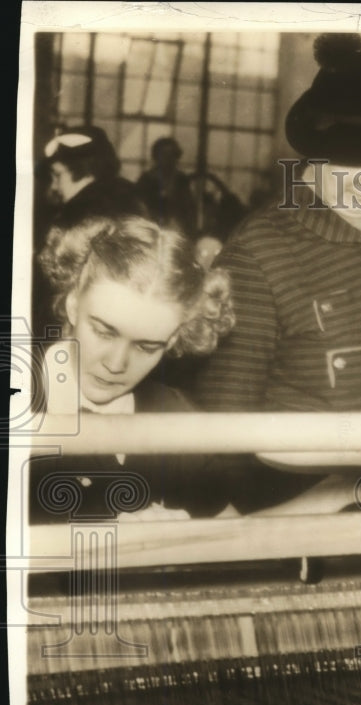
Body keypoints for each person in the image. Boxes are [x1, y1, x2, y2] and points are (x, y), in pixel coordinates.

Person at [194, 33, 361, 508]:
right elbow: (225, 428)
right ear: (319, 148)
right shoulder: (257, 251)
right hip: (307, 506)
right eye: (356, 160)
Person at [30, 216, 236, 524]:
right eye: (103, 331)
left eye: (146, 347)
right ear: (73, 303)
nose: (115, 364)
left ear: (173, 340)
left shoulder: (172, 415)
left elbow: (235, 540)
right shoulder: (19, 399)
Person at [34, 126, 149, 337]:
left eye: (57, 174)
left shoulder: (77, 212)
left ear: (79, 169)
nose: (55, 185)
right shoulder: (132, 196)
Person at [136, 136, 198, 237]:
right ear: (156, 156)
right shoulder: (146, 179)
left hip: (177, 229)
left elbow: (188, 207)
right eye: (164, 155)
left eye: (172, 155)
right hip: (151, 227)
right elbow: (140, 206)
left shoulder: (181, 179)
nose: (168, 159)